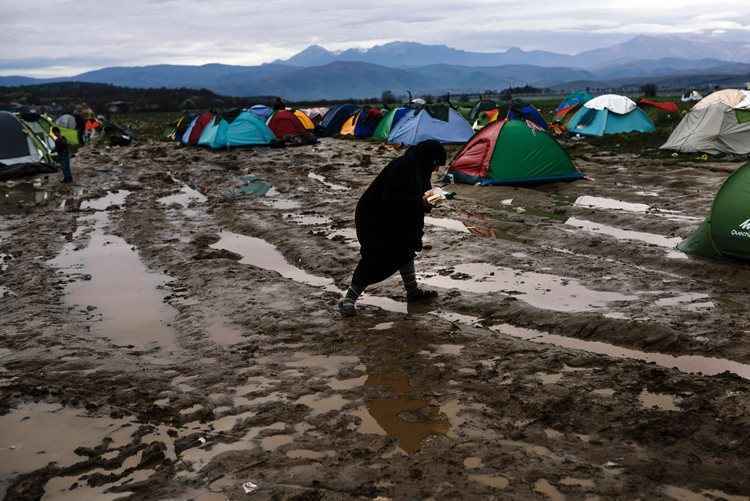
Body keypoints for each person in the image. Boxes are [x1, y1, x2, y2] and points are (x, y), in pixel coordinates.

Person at [338, 140, 446, 316]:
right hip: (376, 218)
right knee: (375, 257)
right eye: (435, 165)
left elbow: (422, 196)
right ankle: (349, 300)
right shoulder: (402, 168)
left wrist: (432, 200)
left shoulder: (420, 168)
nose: (436, 170)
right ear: (428, 159)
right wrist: (420, 202)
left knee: (406, 249)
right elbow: (393, 199)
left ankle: (413, 292)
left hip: (399, 219)